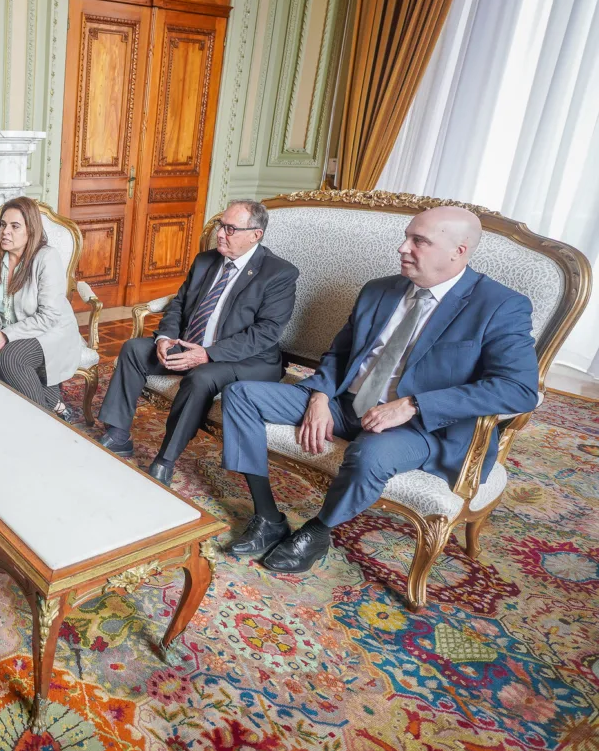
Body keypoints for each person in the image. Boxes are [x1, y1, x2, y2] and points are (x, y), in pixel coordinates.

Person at [220, 207, 539, 573]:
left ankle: (319, 531)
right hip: (344, 403)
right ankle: (267, 516)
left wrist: (415, 405)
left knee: (369, 456)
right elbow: (339, 352)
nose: (403, 248)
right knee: (240, 394)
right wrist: (321, 396)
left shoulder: (499, 306)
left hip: (420, 427)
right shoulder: (379, 290)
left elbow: (518, 389)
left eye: (419, 241)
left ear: (459, 251)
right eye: (406, 237)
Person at [98, 201, 299, 486]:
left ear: (255, 235)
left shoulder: (279, 273)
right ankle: (118, 435)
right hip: (190, 344)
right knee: (133, 349)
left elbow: (265, 333)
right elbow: (179, 305)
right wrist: (166, 337)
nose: (220, 233)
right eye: (220, 225)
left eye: (230, 229)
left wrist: (207, 354)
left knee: (200, 376)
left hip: (245, 359)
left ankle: (165, 460)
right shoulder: (206, 260)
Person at [0, 197, 86, 421]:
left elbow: (49, 316)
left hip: (49, 333)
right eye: (3, 225)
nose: (5, 232)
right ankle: (50, 405)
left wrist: (4, 336)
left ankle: (41, 421)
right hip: (7, 332)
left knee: (11, 357)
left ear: (30, 230)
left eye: (15, 226)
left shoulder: (46, 258)